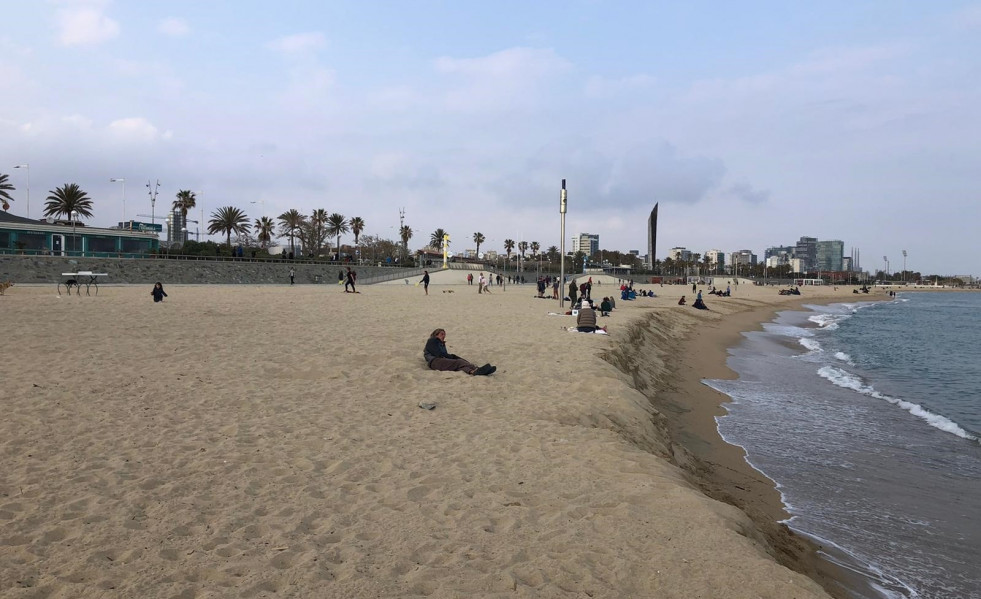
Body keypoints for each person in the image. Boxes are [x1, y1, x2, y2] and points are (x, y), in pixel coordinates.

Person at [423, 329, 496, 375]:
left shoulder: (441, 344)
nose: (444, 335)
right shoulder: (432, 340)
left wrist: (453, 357)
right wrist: (452, 357)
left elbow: (444, 354)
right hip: (435, 362)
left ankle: (473, 371)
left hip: (439, 362)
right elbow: (438, 354)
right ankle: (476, 368)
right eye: (442, 334)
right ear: (436, 335)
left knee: (459, 366)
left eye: (444, 334)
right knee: (458, 362)